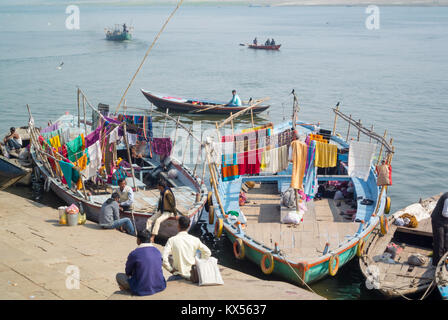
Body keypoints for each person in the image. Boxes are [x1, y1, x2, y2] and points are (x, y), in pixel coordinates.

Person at [116, 229, 166, 296]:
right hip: (160, 285)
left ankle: (127, 291)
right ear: (150, 239)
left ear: (138, 240)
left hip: (142, 289)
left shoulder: (134, 253)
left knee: (119, 276)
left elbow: (128, 271)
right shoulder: (157, 251)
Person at [162, 216, 211, 281]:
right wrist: (199, 264)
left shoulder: (172, 240)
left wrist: (170, 269)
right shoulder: (195, 239)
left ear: (178, 225)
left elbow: (163, 258)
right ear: (189, 226)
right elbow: (208, 252)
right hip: (192, 274)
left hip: (178, 275)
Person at [431, 192, 448, 266]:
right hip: (438, 221)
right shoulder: (447, 198)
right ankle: (437, 264)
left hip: (445, 221)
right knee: (439, 242)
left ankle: (445, 260)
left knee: (446, 241)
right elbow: (445, 213)